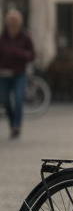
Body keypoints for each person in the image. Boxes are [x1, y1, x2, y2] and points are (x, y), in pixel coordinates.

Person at [0, 8, 35, 139]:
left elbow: (32, 55)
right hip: (3, 75)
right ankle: (12, 123)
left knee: (19, 99)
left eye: (15, 21)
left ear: (20, 22)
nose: (12, 23)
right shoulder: (2, 37)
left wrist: (19, 53)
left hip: (19, 74)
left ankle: (17, 126)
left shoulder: (25, 37)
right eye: (10, 20)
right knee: (5, 101)